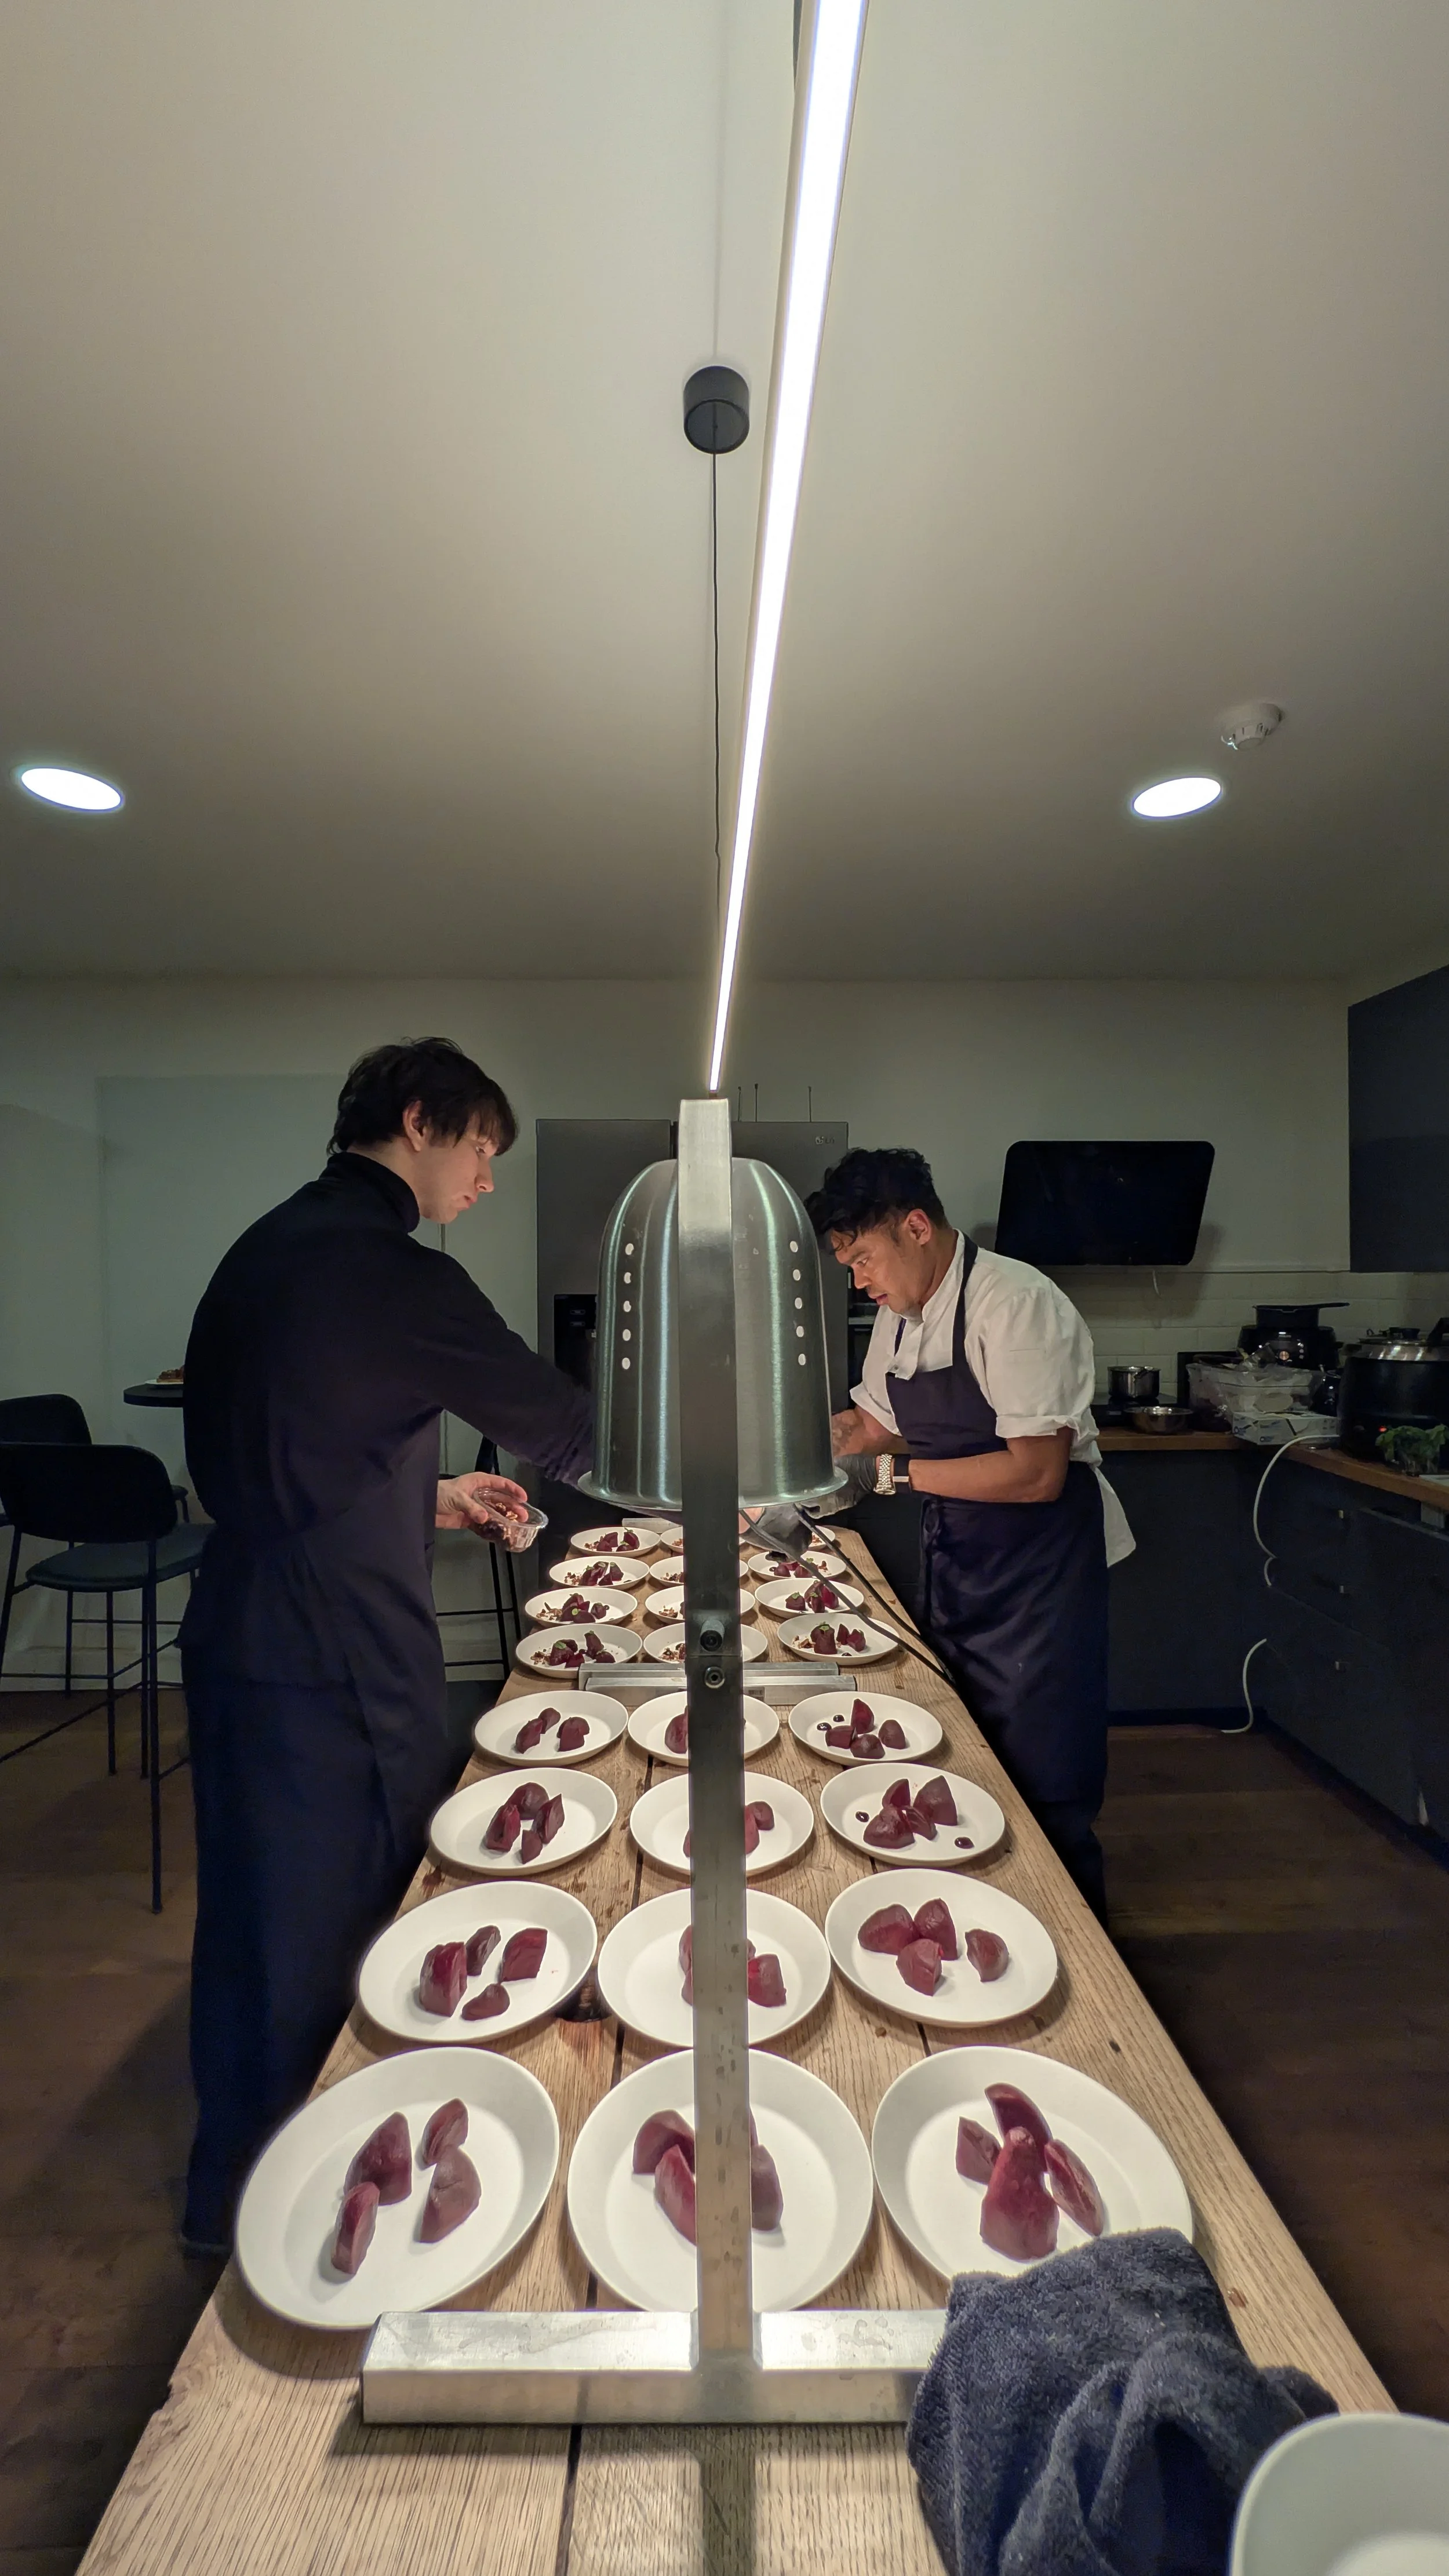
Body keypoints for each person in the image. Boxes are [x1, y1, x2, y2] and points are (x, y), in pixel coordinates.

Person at [179, 1038, 592, 2251]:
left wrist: (436, 1498)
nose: (488, 1179)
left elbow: (289, 1453)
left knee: (255, 1917)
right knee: (359, 1917)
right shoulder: (388, 1267)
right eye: (481, 1148)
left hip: (241, 1623)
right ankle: (334, 2228)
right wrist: (715, 1469)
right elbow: (565, 1429)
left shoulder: (268, 1247)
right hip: (335, 1652)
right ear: (420, 1120)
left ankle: (230, 2195)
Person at [806, 1146, 1132, 1924]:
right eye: (847, 1266)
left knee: (1046, 1777)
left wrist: (892, 1479)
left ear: (916, 1226)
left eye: (863, 1259)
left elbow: (1033, 1473)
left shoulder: (1016, 1304)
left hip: (1042, 1571)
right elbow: (874, 1423)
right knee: (965, 1753)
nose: (859, 1281)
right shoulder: (902, 1314)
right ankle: (977, 1918)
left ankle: (1081, 1956)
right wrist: (784, 1457)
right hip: (961, 1552)